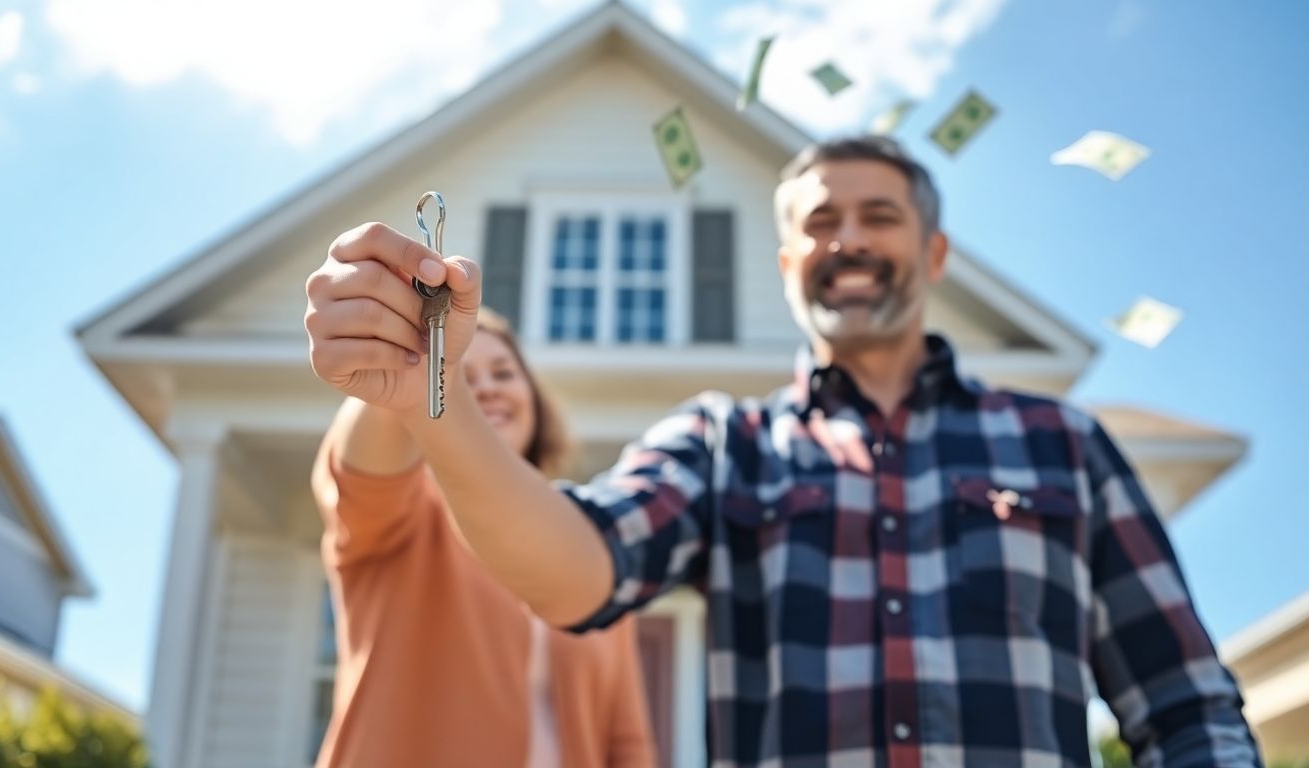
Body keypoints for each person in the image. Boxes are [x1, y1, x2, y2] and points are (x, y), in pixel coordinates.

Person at [304, 136, 1262, 766]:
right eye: (819, 223)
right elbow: (573, 572)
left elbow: (1186, 706)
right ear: (786, 265)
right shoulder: (723, 444)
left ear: (933, 253)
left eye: (879, 217)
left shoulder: (1064, 445)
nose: (848, 240)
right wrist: (428, 402)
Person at [309, 308, 657, 768]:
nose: (488, 387)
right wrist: (407, 358)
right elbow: (359, 478)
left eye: (503, 373)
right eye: (461, 375)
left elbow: (627, 739)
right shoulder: (408, 513)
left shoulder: (590, 545)